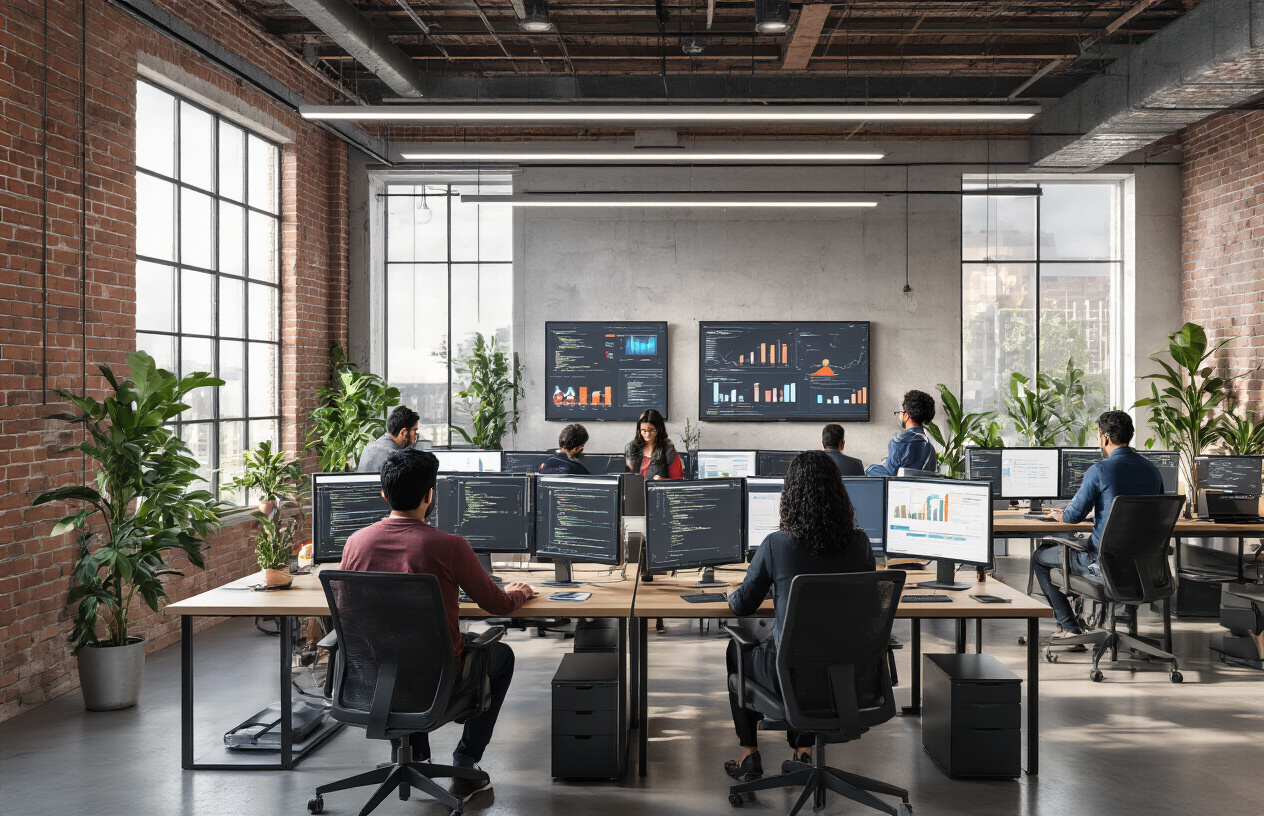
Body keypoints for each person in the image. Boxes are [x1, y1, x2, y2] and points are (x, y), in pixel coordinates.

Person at [340, 449, 537, 803]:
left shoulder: (356, 543)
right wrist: (519, 594)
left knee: (400, 649)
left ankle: (415, 755)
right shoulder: (449, 546)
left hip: (375, 679)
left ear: (384, 495)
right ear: (430, 494)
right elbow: (496, 604)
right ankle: (466, 761)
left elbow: (349, 615)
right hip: (438, 681)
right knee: (501, 655)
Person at [723, 451, 876, 782]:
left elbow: (743, 606)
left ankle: (749, 755)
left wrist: (731, 591)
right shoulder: (860, 544)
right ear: (839, 494)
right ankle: (803, 751)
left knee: (737, 649)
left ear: (790, 494)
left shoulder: (777, 544)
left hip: (792, 679)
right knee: (818, 650)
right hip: (851, 679)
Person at [1034, 410, 1163, 647]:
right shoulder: (1152, 471)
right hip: (1144, 569)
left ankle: (1070, 628)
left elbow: (1073, 516)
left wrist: (1060, 515)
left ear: (1104, 437)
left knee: (1040, 557)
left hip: (1103, 566)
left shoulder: (1100, 470)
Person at [865, 390, 939, 477]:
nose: (899, 415)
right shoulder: (929, 446)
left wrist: (870, 469)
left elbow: (890, 474)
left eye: (900, 412)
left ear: (907, 415)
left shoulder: (900, 443)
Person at [624, 408, 684, 480]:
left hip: (657, 489)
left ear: (659, 429)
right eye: (643, 430)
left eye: (652, 430)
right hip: (634, 489)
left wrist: (662, 480)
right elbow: (626, 476)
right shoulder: (631, 447)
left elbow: (678, 480)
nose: (647, 434)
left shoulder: (668, 449)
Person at [356, 405, 420, 473]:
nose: (416, 435)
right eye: (415, 430)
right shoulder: (395, 458)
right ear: (403, 432)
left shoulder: (368, 448)